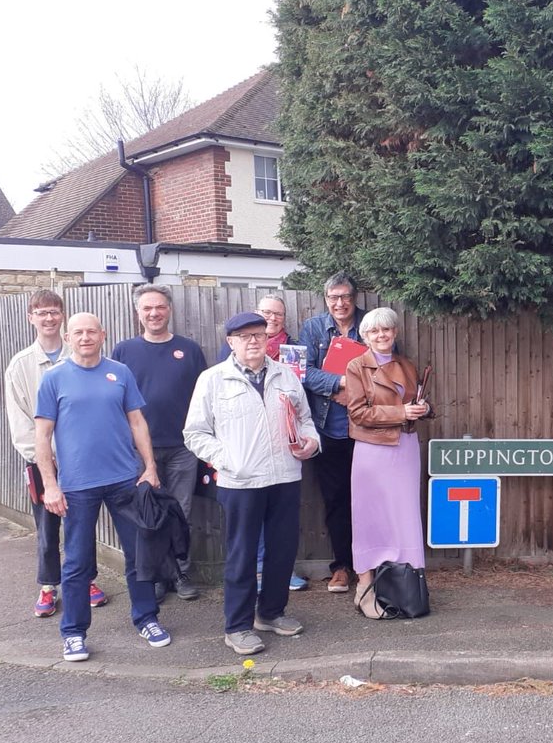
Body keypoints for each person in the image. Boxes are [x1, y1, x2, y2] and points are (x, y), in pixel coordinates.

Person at [184, 312, 321, 655]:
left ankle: (271, 612)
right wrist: (229, 459)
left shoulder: (286, 375)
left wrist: (310, 442)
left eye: (259, 334)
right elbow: (194, 433)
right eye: (244, 336)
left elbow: (305, 420)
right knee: (242, 555)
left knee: (282, 551)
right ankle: (238, 625)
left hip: (285, 476)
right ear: (230, 342)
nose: (253, 341)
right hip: (240, 482)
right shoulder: (213, 380)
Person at [34, 313, 168, 662]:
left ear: (103, 334)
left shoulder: (119, 373)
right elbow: (42, 436)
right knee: (77, 562)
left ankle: (147, 618)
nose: (85, 337)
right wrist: (50, 485)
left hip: (124, 479)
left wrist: (150, 467)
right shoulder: (54, 378)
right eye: (78, 332)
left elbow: (137, 422)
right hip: (77, 487)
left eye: (91, 331)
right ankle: (74, 633)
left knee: (138, 554)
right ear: (68, 337)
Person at [3, 290, 107, 618]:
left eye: (54, 312)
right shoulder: (20, 366)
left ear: (62, 317)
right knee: (47, 526)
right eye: (41, 312)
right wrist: (43, 460)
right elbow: (20, 421)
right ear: (31, 318)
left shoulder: (78, 357)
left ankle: (86, 579)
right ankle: (48, 585)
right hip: (41, 461)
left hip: (80, 460)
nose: (48, 318)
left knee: (81, 523)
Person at [111, 284, 207, 601]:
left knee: (180, 512)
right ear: (138, 313)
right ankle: (154, 576)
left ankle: (180, 572)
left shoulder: (189, 350)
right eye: (147, 308)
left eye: (160, 307)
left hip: (183, 449)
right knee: (148, 517)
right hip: (139, 452)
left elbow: (204, 399)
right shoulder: (123, 352)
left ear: (169, 310)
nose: (154, 313)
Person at [343, 308, 432, 619]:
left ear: (394, 332)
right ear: (365, 336)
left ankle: (404, 590)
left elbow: (413, 400)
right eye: (374, 332)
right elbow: (358, 413)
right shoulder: (356, 367)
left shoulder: (405, 364)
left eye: (387, 330)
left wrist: (423, 408)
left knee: (404, 519)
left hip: (405, 449)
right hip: (373, 450)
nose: (382, 336)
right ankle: (364, 589)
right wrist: (400, 413)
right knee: (370, 519)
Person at [298, 273, 367, 594]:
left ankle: (369, 564)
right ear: (326, 299)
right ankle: (341, 566)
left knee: (371, 500)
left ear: (355, 297)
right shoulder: (313, 329)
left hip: (367, 429)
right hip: (328, 430)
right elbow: (301, 371)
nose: (339, 304)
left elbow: (386, 368)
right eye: (333, 297)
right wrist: (338, 384)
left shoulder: (371, 325)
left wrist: (353, 390)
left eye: (345, 297)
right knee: (336, 500)